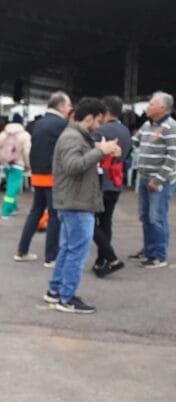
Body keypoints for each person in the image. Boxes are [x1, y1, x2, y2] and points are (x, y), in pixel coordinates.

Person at [43, 98, 121, 314]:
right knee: (76, 252)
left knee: (68, 249)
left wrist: (101, 149)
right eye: (98, 122)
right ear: (88, 118)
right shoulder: (72, 138)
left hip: (73, 201)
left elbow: (80, 156)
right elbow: (73, 165)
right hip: (76, 203)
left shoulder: (75, 136)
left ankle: (55, 291)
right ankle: (66, 298)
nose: (99, 127)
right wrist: (100, 151)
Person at [15, 91, 72, 265]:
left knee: (35, 212)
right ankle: (51, 257)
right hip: (53, 175)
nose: (70, 108)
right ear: (61, 106)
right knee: (54, 215)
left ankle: (22, 250)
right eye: (69, 105)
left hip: (37, 174)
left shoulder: (37, 124)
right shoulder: (62, 125)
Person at [128, 91, 176, 268]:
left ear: (162, 108)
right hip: (144, 178)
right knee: (145, 216)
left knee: (157, 217)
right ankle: (148, 250)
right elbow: (134, 142)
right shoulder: (148, 125)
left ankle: (159, 255)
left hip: (159, 182)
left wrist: (158, 179)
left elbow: (173, 157)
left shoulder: (171, 127)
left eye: (152, 104)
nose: (148, 106)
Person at [91, 96, 132, 277]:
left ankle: (110, 256)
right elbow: (128, 156)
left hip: (99, 181)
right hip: (115, 180)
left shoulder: (100, 130)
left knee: (89, 222)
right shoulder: (125, 131)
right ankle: (102, 260)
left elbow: (92, 153)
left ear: (105, 111)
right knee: (106, 221)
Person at [0, 115, 31, 219]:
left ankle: (13, 208)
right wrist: (28, 165)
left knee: (11, 186)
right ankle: (5, 211)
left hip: (6, 164)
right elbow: (27, 152)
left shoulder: (3, 134)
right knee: (12, 189)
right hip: (18, 165)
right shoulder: (25, 135)